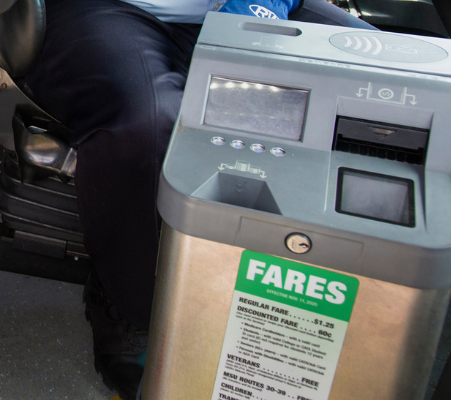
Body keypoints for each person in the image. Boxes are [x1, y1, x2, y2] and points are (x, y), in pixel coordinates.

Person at [22, 0, 375, 397]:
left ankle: (337, 310)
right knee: (147, 130)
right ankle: (131, 307)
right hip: (117, 8)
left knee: (393, 88)